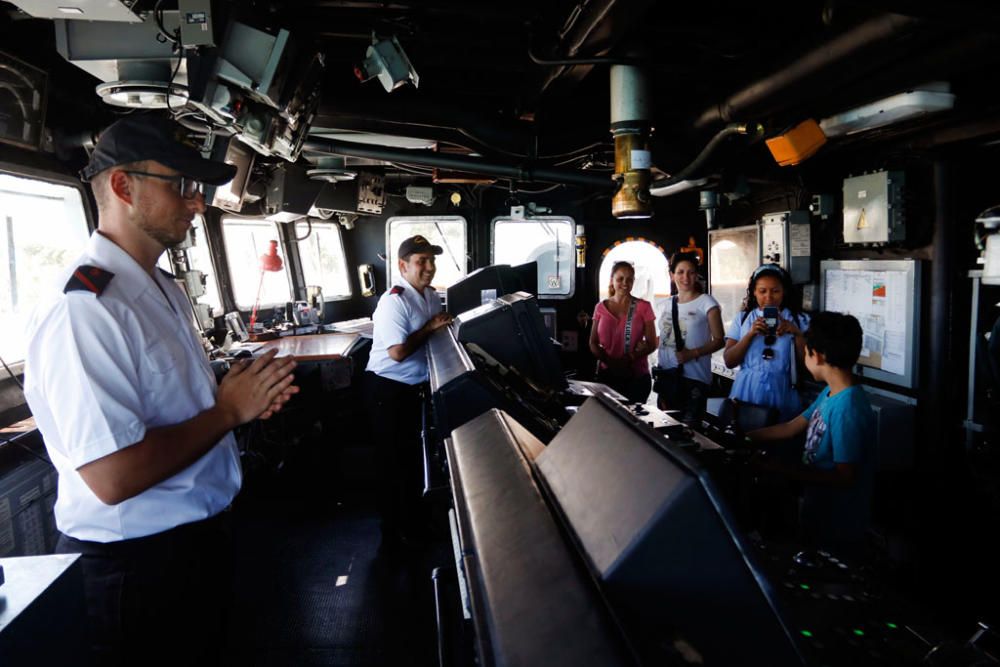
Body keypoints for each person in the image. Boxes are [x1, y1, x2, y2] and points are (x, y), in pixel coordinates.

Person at [22, 114, 299, 666]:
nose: (197, 204)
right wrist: (227, 412)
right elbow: (112, 476)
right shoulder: (87, 310)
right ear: (124, 187)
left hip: (193, 547)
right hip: (137, 569)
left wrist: (243, 398)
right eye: (182, 186)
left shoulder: (160, 287)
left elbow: (174, 403)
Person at [746, 312, 875, 555]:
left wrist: (780, 469)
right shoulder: (831, 393)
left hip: (839, 524)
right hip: (817, 511)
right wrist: (748, 436)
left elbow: (845, 476)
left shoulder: (848, 407)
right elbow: (792, 426)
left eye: (805, 351)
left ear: (817, 355)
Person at [364, 235, 453, 551]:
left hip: (414, 389)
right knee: (392, 463)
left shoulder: (430, 296)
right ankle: (393, 534)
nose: (429, 267)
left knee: (414, 461)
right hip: (387, 390)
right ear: (402, 266)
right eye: (421, 261)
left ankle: (415, 524)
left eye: (432, 260)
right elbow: (398, 352)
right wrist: (430, 329)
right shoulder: (393, 300)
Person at [723, 263, 809, 422]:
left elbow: (808, 365)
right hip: (747, 389)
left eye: (775, 291)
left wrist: (796, 333)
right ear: (754, 292)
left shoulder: (799, 320)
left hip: (782, 389)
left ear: (784, 292)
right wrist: (749, 335)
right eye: (762, 291)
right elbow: (729, 360)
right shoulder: (743, 319)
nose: (769, 297)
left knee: (779, 438)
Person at [654, 251, 725, 421]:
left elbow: (719, 340)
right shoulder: (664, 304)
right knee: (666, 428)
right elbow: (662, 339)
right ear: (672, 275)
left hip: (694, 379)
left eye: (691, 272)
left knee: (689, 432)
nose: (685, 277)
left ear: (696, 275)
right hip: (666, 377)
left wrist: (692, 354)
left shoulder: (707, 302)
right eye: (680, 272)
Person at [590, 260, 657, 403]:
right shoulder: (600, 308)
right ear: (612, 280)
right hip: (607, 376)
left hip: (636, 378)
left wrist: (630, 358)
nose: (625, 283)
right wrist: (610, 362)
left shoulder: (644, 307)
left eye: (629, 280)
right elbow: (593, 342)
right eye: (620, 279)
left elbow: (652, 343)